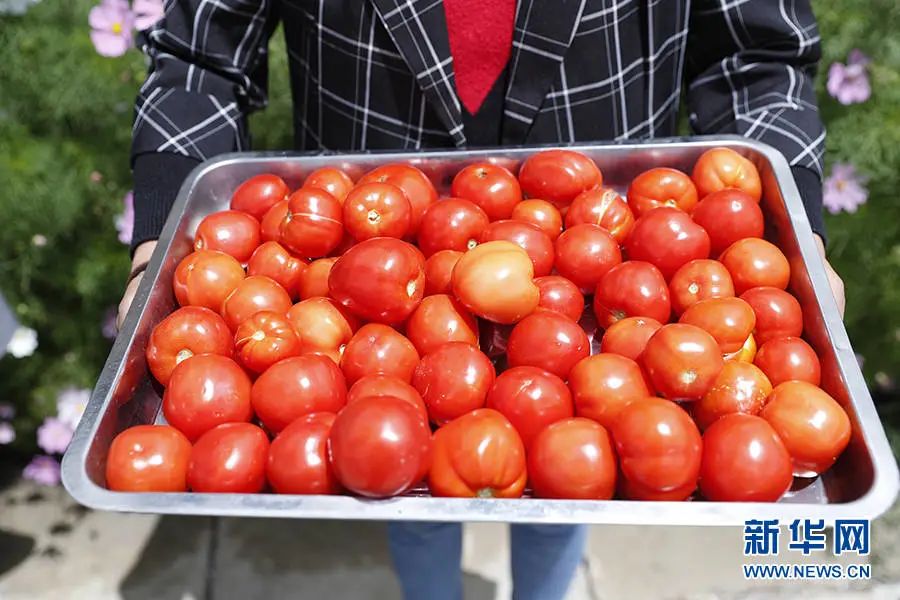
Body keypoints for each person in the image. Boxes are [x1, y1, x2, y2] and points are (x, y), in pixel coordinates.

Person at [118, 1, 845, 598]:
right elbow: (198, 51)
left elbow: (757, 53)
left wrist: (796, 217)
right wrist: (160, 235)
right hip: (368, 236)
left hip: (606, 237)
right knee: (403, 479)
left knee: (569, 488)